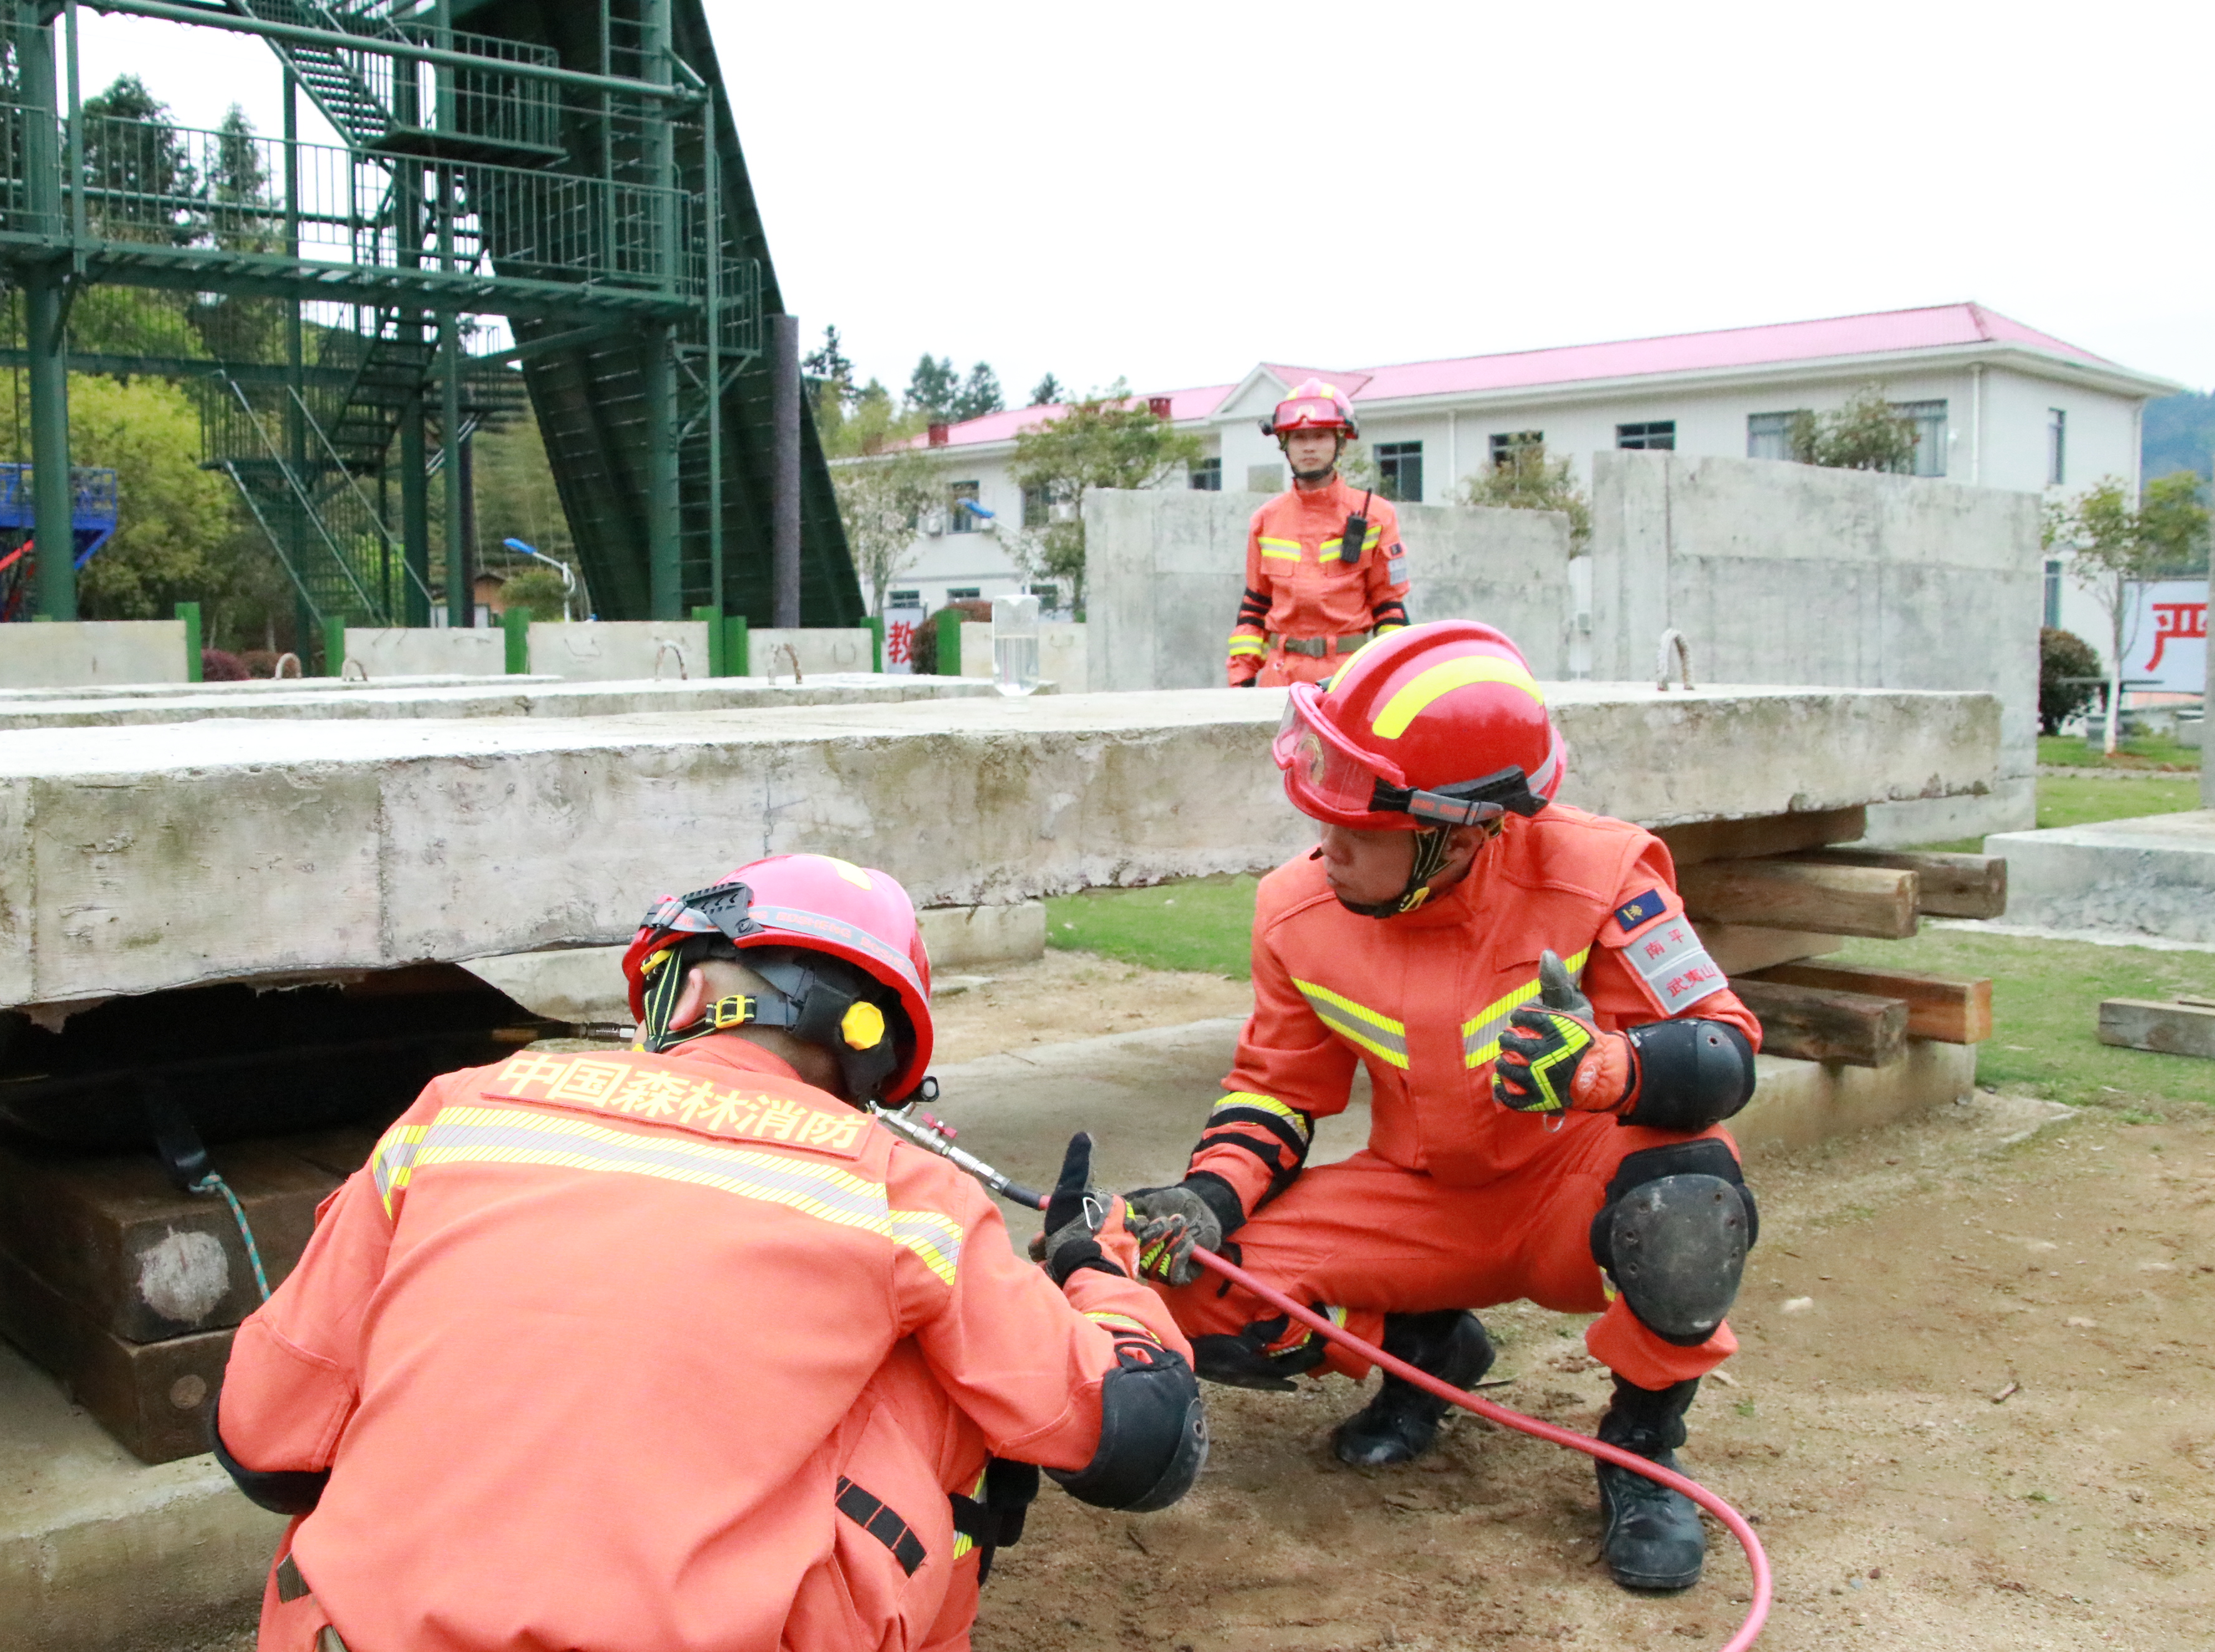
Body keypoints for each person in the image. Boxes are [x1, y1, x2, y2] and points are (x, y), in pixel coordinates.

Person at [213, 854, 1205, 1652]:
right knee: (950, 1369)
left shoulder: (458, 1109)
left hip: (346, 1632)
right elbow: (1135, 1441)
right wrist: (1092, 1269)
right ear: (870, 1051)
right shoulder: (901, 1194)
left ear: (686, 991)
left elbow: (264, 1440)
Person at [1128, 621, 1764, 1592]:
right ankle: (1430, 1347)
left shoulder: (1601, 877)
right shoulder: (1297, 913)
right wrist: (1207, 1200)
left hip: (1569, 1195)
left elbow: (1724, 1051)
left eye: (1358, 831)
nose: (1325, 850)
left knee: (1690, 1201)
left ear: (1458, 835)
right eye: (1321, 816)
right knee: (1189, 1291)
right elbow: (1275, 1090)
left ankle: (1642, 1452)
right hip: (1419, 1201)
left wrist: (1606, 1066)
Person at [1228, 378, 1412, 687]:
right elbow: (1255, 607)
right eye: (1299, 437)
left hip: (1348, 680)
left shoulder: (1377, 516)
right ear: (1284, 443)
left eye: (1320, 435)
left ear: (1341, 441)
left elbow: (1389, 608)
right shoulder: (1265, 520)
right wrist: (1241, 680)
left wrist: (1397, 682)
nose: (1309, 446)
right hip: (1279, 679)